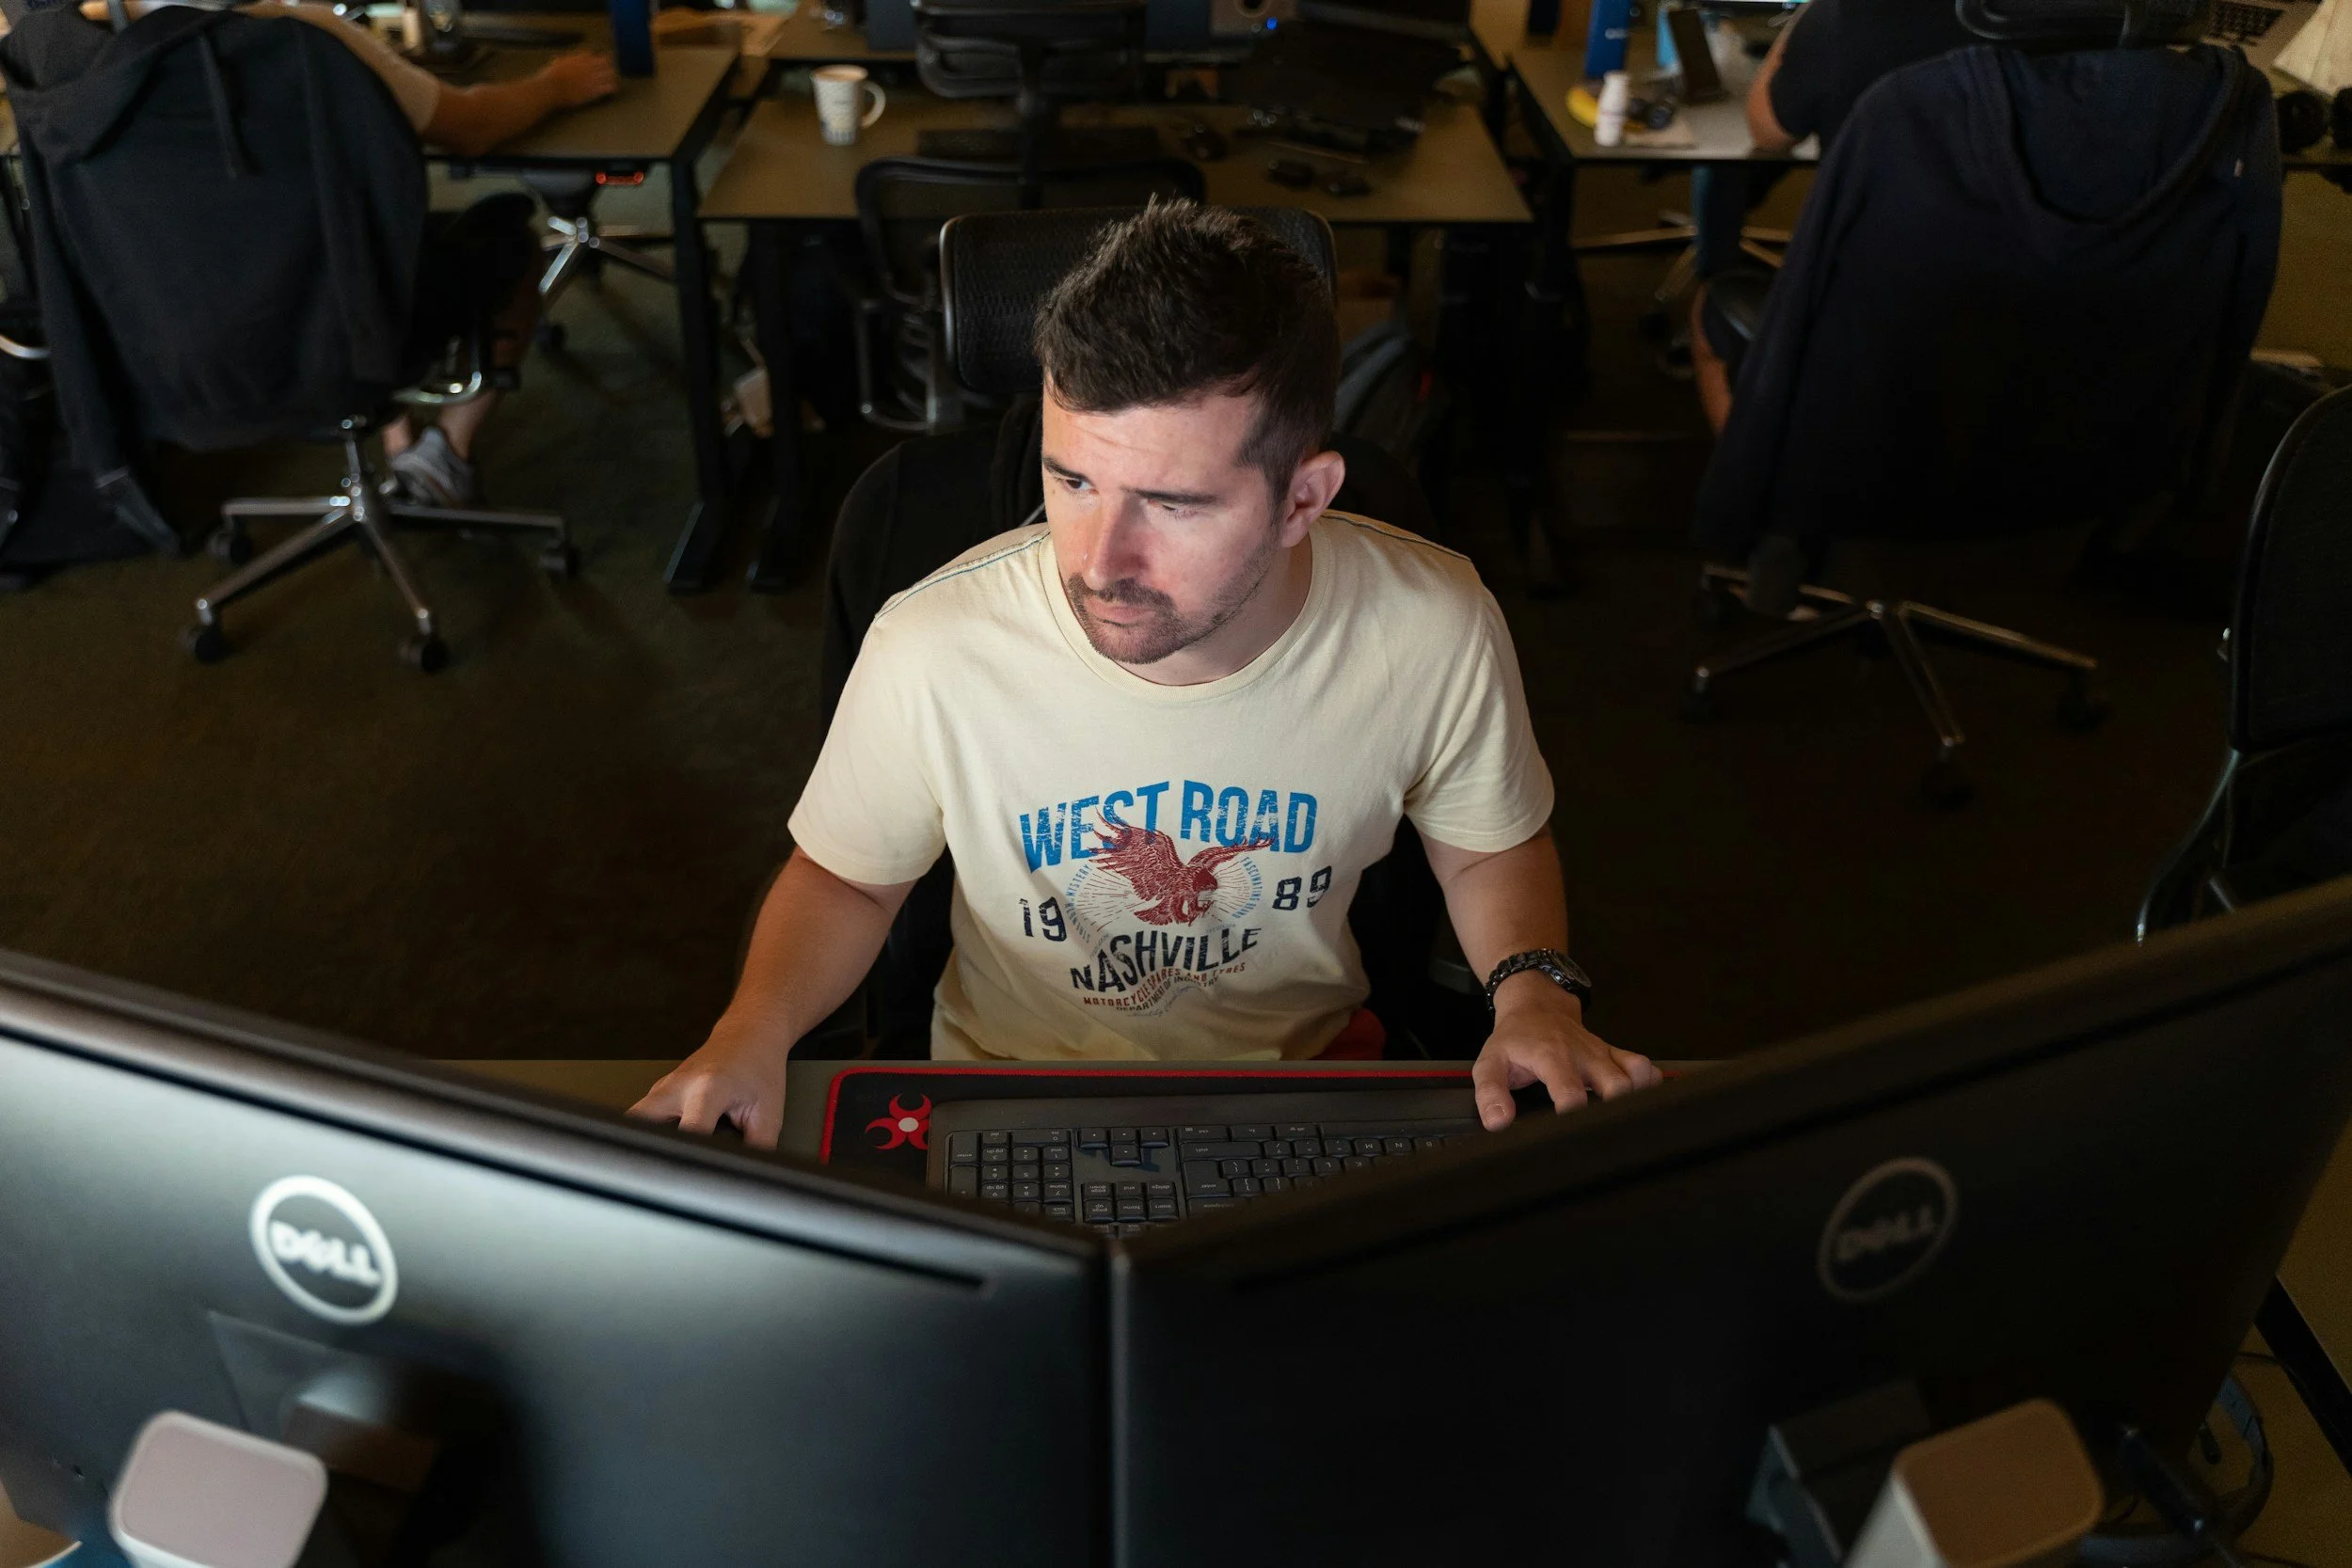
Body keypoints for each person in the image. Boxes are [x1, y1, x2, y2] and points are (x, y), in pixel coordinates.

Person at [630, 201, 1661, 1148]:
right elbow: (847, 877)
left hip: (1306, 1091)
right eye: (1071, 478)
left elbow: (1488, 849)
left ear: (1304, 498)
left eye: (1172, 503)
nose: (1097, 559)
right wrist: (749, 1032)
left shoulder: (1432, 624)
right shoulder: (935, 641)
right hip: (1003, 1096)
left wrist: (1533, 994)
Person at [60, 0, 618, 502]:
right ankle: (444, 454)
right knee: (509, 244)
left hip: (165, 339)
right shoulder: (294, 37)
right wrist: (555, 85)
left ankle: (400, 438)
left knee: (344, 245)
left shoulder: (70, 54)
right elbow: (471, 128)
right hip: (333, 332)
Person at [1692, 0, 1977, 430]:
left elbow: (1767, 133)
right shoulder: (2052, 25)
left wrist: (1805, 18)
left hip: (1867, 309)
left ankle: (1751, 489)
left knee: (1708, 312)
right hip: (2019, 307)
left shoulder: (1842, 19)